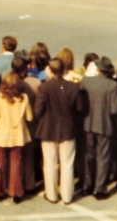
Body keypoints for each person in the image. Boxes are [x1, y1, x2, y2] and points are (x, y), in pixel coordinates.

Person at [35, 58, 83, 204]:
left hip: (48, 128)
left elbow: (38, 110)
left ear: (50, 70)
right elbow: (79, 109)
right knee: (67, 164)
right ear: (64, 70)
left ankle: (51, 194)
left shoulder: (45, 87)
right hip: (68, 128)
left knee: (50, 164)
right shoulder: (73, 87)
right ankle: (67, 196)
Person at [0, 73, 33, 203]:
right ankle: (15, 192)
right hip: (18, 135)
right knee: (16, 163)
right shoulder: (24, 97)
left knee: (0, 163)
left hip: (0, 134)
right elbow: (29, 117)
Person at [81, 56, 117, 198]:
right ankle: (99, 188)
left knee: (88, 155)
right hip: (104, 124)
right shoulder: (113, 85)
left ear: (97, 69)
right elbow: (114, 110)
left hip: (87, 123)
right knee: (103, 156)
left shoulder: (86, 81)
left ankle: (87, 184)